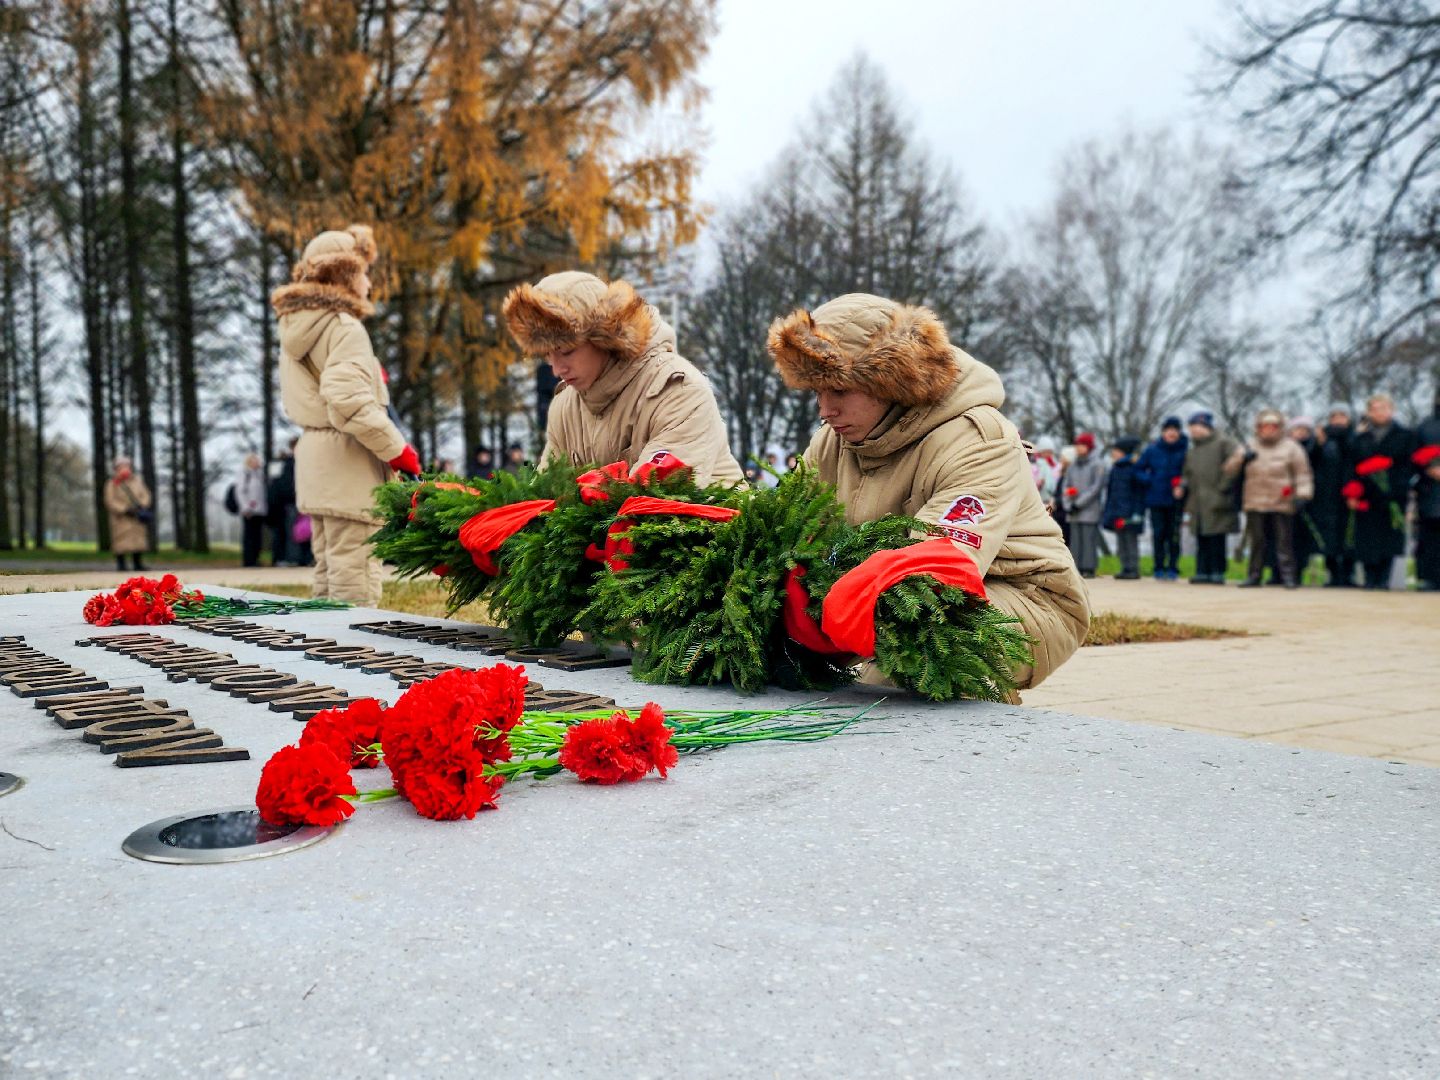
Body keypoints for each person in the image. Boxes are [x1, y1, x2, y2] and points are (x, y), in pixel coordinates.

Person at [768, 294, 1089, 691]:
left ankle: (982, 740)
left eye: (839, 390)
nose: (824, 410)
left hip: (1024, 597)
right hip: (872, 592)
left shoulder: (977, 438)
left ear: (889, 382)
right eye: (816, 392)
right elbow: (788, 526)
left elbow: (940, 568)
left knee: (898, 671)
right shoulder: (831, 441)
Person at [271, 223, 420, 606]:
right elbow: (346, 399)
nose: (369, 283)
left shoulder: (297, 329)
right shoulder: (343, 327)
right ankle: (353, 656)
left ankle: (320, 656)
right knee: (355, 572)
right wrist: (396, 448)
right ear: (346, 275)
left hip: (317, 458)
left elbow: (326, 387)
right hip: (349, 459)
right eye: (364, 273)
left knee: (327, 572)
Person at [502, 271, 743, 486]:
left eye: (566, 351)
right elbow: (546, 495)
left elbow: (659, 502)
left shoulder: (679, 390)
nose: (556, 369)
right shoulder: (564, 407)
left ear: (604, 337)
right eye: (547, 355)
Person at [1228, 408, 1314, 589]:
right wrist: (1242, 459)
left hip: (1282, 500)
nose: (1268, 430)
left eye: (1272, 426)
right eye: (1264, 426)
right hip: (1255, 500)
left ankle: (1288, 576)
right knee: (1257, 541)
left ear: (1280, 428)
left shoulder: (1292, 447)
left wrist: (1303, 494)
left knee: (1284, 541)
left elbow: (1302, 474)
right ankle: (1254, 575)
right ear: (1258, 428)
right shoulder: (1248, 445)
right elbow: (1229, 470)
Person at [1345, 393, 1414, 589]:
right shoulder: (1360, 438)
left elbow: (1407, 465)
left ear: (1392, 410)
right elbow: (1352, 465)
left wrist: (1396, 487)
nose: (1380, 412)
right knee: (1367, 537)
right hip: (1367, 495)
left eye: (1384, 408)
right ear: (1369, 412)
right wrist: (1352, 491)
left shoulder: (1405, 435)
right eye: (1375, 409)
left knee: (1390, 536)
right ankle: (1369, 577)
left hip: (1393, 495)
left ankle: (1384, 578)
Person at [1180, 411, 1240, 585]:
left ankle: (1217, 571)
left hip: (1218, 498)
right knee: (1201, 538)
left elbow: (1235, 464)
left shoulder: (1224, 443)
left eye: (1198, 427)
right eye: (1191, 428)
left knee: (1217, 538)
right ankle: (1201, 570)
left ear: (1207, 427)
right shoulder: (1192, 451)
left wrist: (1223, 487)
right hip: (1197, 500)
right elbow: (1187, 473)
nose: (1194, 431)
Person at [1136, 416, 1188, 580]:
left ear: (1179, 432)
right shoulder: (1152, 450)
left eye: (1175, 430)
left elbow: (1190, 473)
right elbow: (1138, 470)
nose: (1171, 433)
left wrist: (1183, 485)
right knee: (1158, 534)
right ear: (1163, 432)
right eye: (1168, 430)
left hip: (1176, 500)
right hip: (1156, 499)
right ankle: (1158, 567)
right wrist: (1150, 481)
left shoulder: (1185, 450)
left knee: (1174, 535)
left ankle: (1173, 567)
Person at [1313, 407, 1355, 586]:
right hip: (1325, 495)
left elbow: (1356, 456)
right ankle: (1331, 574)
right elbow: (1312, 461)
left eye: (1342, 416)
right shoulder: (1322, 437)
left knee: (1349, 535)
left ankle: (1348, 575)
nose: (1338, 419)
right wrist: (1318, 444)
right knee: (1328, 536)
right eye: (1334, 416)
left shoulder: (1354, 436)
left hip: (1349, 493)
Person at [1061, 432, 1105, 579]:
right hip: (1073, 510)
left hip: (1089, 509)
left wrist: (1079, 503)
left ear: (1089, 447)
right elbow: (1066, 485)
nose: (1079, 448)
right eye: (1077, 445)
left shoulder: (1097, 464)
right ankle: (1077, 566)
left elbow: (1095, 488)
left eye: (1082, 445)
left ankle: (1089, 567)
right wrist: (1068, 503)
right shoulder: (1073, 465)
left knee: (1088, 539)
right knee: (1076, 540)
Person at [1102, 436, 1146, 579]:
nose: (1113, 453)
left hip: (1130, 512)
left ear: (1124, 452)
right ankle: (1125, 567)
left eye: (1116, 450)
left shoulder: (1134, 468)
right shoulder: (1115, 469)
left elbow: (1139, 491)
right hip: (1117, 511)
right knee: (1121, 541)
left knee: (1130, 540)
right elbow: (1111, 492)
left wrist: (1138, 512)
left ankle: (1133, 568)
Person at [103, 456, 151, 573]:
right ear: (116, 469)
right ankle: (121, 563)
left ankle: (138, 563)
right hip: (121, 518)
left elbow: (146, 495)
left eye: (127, 466)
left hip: (137, 516)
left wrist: (142, 505)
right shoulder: (112, 483)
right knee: (120, 541)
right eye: (122, 467)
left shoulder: (137, 481)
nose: (125, 469)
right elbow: (110, 500)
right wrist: (124, 509)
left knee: (138, 540)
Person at [1414, 390, 1440, 591]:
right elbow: (1412, 456)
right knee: (1430, 537)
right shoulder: (1425, 426)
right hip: (1430, 490)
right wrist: (1428, 468)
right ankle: (1430, 578)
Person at [266, 443, 297, 566]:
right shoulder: (287, 464)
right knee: (285, 533)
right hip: (283, 503)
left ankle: (282, 558)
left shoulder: (279, 465)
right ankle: (286, 558)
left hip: (279, 503)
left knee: (282, 533)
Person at [238, 452, 269, 567]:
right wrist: (245, 507)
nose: (258, 462)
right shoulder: (245, 474)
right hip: (249, 511)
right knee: (249, 536)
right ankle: (248, 560)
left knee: (257, 537)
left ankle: (256, 559)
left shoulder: (259, 475)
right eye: (255, 460)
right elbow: (240, 491)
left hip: (259, 510)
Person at [1031, 441, 1062, 515]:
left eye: (1050, 452)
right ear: (1040, 452)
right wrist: (1039, 483)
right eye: (1045, 452)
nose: (1048, 454)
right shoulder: (1034, 466)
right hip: (1038, 499)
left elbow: (1059, 480)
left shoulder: (1056, 465)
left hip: (1052, 499)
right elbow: (1030, 482)